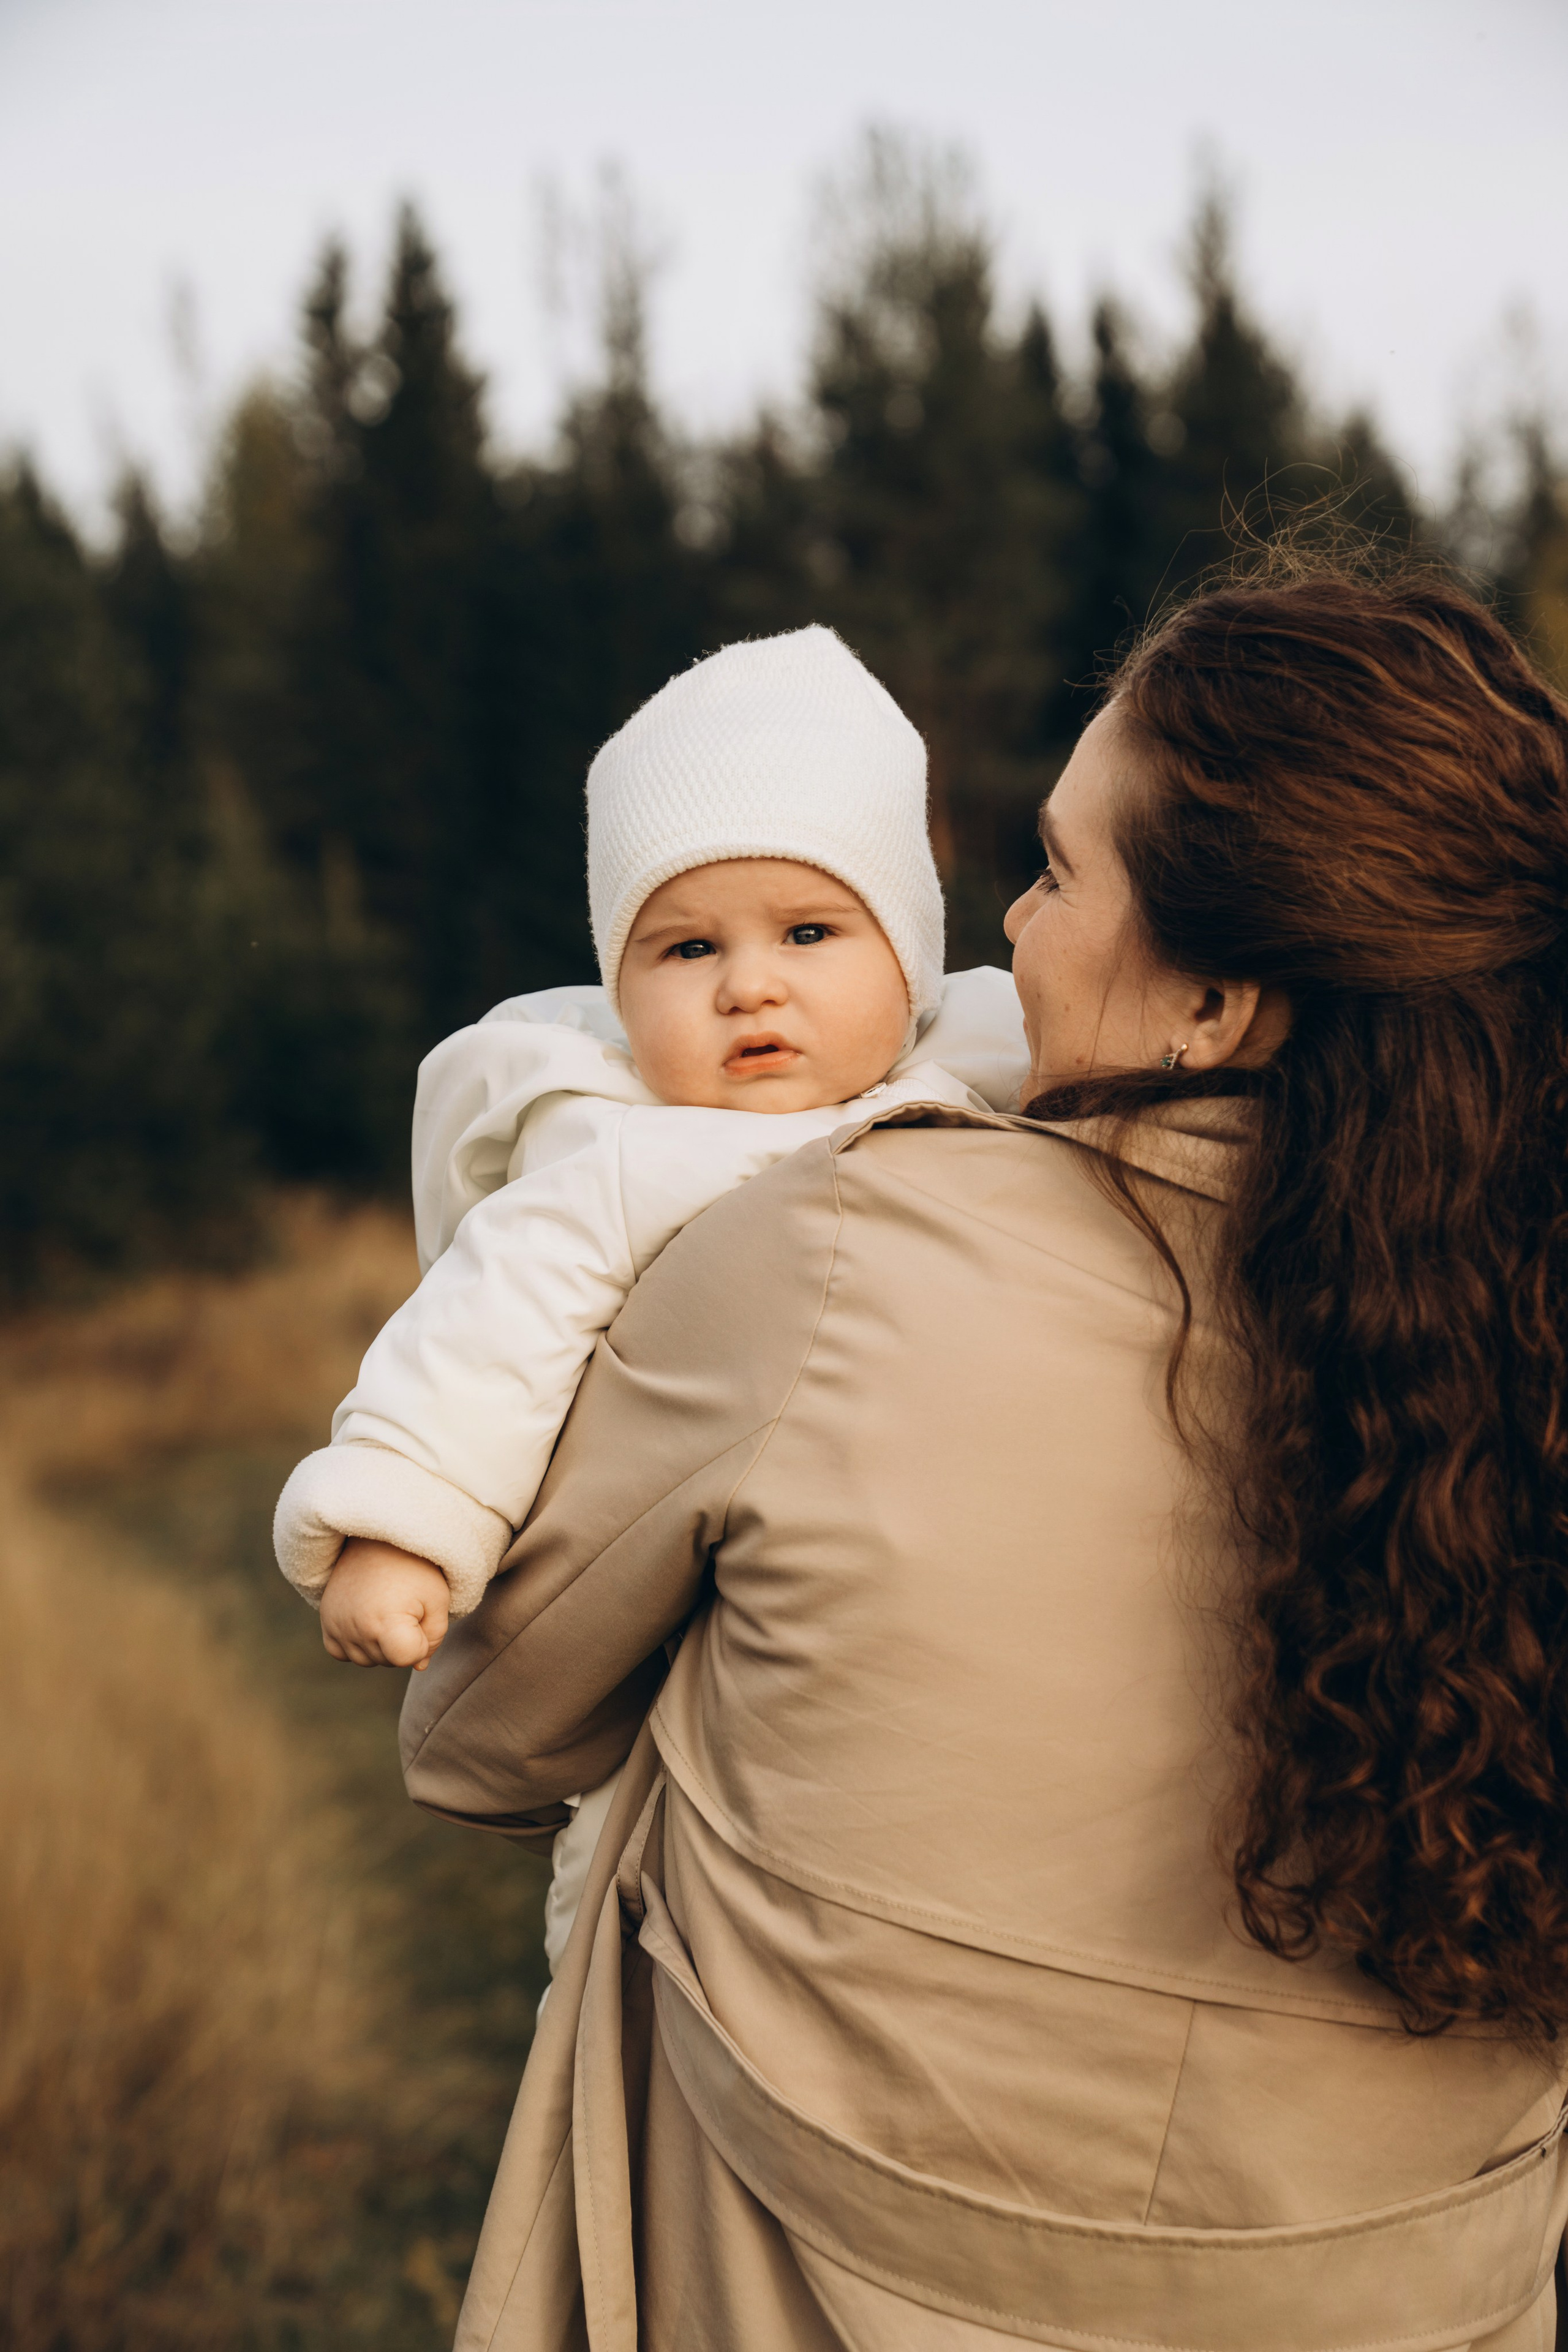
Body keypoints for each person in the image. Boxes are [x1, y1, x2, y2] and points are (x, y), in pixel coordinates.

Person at [401, 560, 1568, 2351]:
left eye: (1051, 873)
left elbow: (486, 1735)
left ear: (1214, 1006)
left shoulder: (824, 1254)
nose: (1003, 942)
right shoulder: (1524, 1340)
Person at [272, 624, 1027, 1986]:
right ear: (619, 991)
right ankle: (607, 2044)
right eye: (685, 949)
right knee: (628, 1874)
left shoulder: (987, 1063)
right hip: (667, 1632)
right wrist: (398, 1517)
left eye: (808, 932)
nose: (750, 984)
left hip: (907, 1597)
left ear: (907, 958)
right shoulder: (618, 1162)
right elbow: (488, 1325)